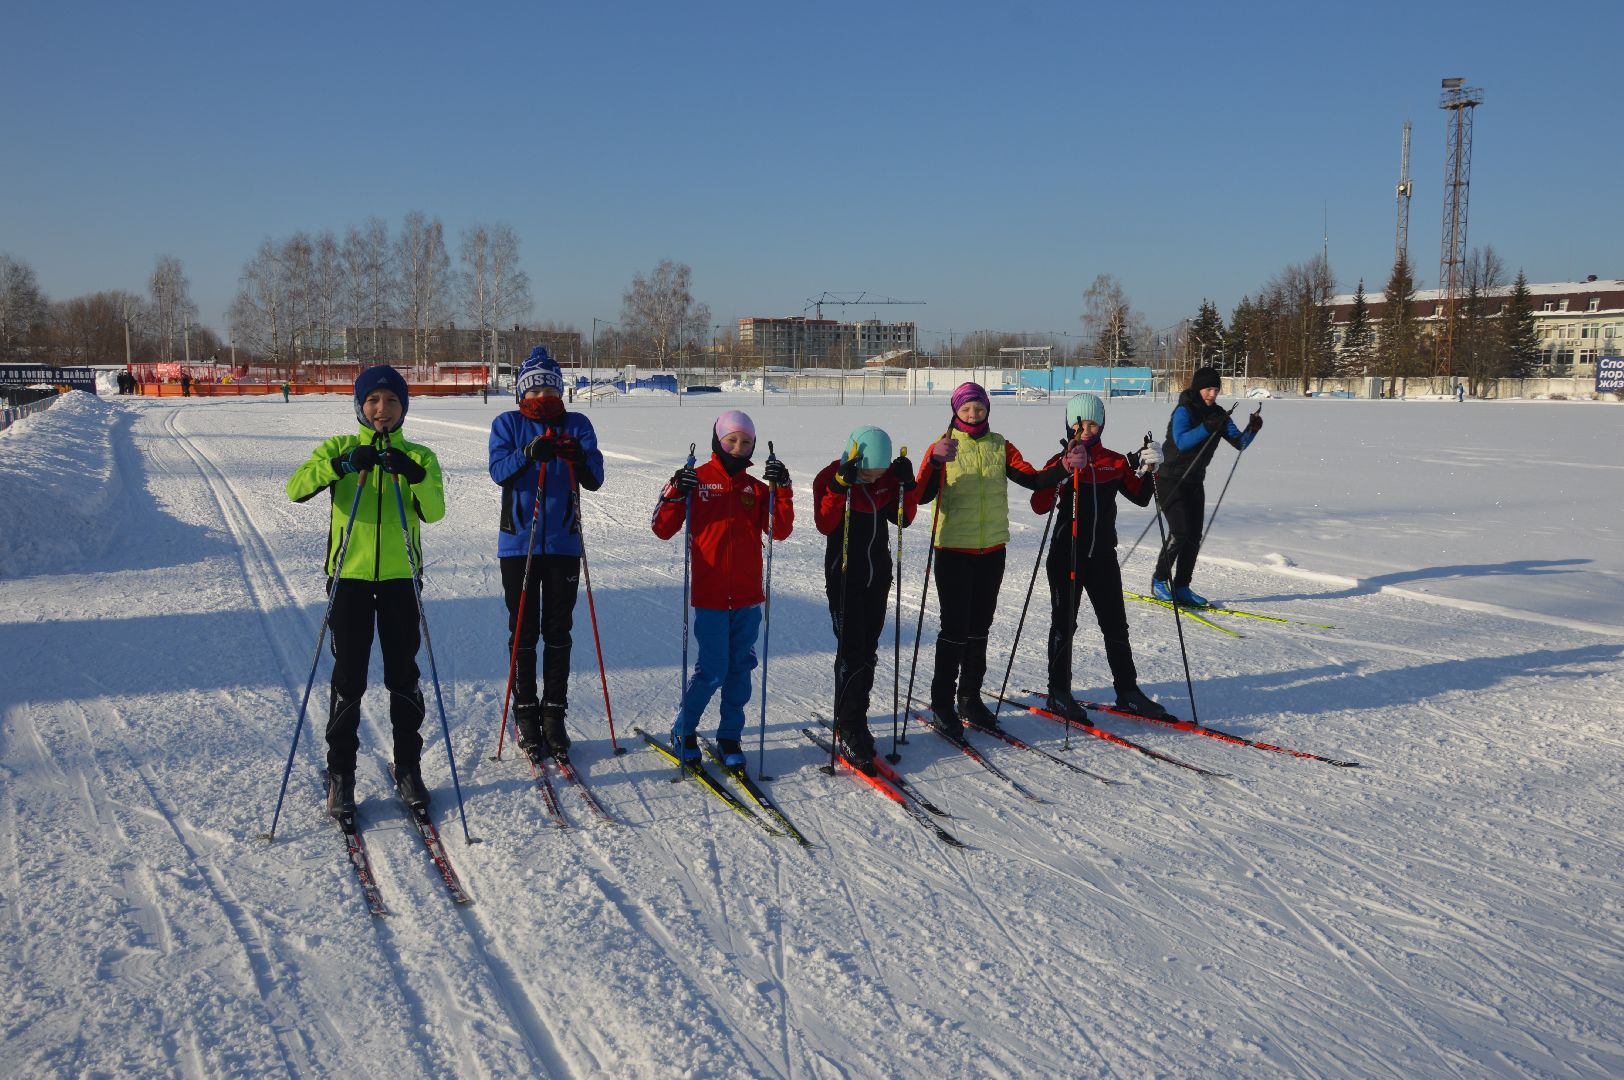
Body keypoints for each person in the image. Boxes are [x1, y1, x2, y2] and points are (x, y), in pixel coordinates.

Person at [286, 365, 446, 819]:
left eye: (392, 401)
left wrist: (413, 474)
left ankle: (409, 767)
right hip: (349, 580)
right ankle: (341, 773)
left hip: (400, 581)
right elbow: (295, 488)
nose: (382, 410)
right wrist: (341, 466)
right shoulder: (340, 448)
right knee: (349, 677)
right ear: (360, 405)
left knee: (403, 675)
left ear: (404, 408)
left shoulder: (420, 455)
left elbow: (434, 511)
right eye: (373, 401)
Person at [917, 382, 1065, 738]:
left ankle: (969, 698)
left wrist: (1064, 466)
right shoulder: (943, 445)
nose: (973, 415)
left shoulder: (1001, 445)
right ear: (955, 410)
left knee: (979, 628)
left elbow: (1032, 478)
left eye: (979, 408)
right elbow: (921, 495)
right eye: (966, 409)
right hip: (952, 549)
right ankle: (942, 703)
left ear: (987, 410)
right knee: (954, 630)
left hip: (992, 550)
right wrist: (935, 461)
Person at [651, 410, 793, 767]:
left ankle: (730, 736)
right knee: (713, 669)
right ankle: (684, 729)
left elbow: (779, 530)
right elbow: (662, 528)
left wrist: (783, 489)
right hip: (711, 595)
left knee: (740, 668)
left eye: (746, 442)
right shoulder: (696, 480)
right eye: (731, 440)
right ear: (717, 440)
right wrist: (674, 490)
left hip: (747, 596)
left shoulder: (757, 489)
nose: (738, 447)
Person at [488, 346, 604, 762]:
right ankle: (525, 712)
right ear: (521, 391)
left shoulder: (577, 423)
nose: (541, 395)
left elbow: (595, 478)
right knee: (523, 630)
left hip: (563, 544)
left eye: (549, 387)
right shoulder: (507, 423)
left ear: (560, 388)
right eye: (533, 388)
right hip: (518, 543)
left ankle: (553, 713)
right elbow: (498, 471)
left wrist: (578, 456)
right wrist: (527, 453)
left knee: (558, 631)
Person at [1031, 394, 1171, 723]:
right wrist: (1061, 475)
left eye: (1092, 424)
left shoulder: (1114, 461)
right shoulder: (1059, 460)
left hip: (1102, 557)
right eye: (1078, 424)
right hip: (1066, 556)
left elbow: (1139, 497)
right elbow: (1039, 505)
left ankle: (1128, 692)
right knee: (1064, 624)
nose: (1085, 430)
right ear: (1069, 425)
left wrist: (1153, 468)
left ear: (1101, 425)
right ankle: (1059, 692)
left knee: (1115, 624)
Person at [811, 425, 919, 771]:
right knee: (851, 653)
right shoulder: (830, 476)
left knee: (867, 653)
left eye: (879, 472)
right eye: (868, 472)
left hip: (878, 578)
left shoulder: (886, 479)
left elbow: (903, 519)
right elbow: (824, 523)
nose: (873, 479)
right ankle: (850, 727)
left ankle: (858, 720)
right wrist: (838, 486)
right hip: (844, 580)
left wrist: (907, 485)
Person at [1150, 366, 1259, 607]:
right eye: (1208, 388)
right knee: (1179, 532)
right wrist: (1209, 426)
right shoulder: (1184, 410)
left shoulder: (1220, 414)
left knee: (1193, 537)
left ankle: (1182, 587)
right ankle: (1159, 581)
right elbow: (1182, 441)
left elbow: (1239, 443)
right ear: (1198, 388)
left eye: (1215, 389)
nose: (1212, 394)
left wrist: (1252, 429)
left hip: (1194, 481)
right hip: (1169, 479)